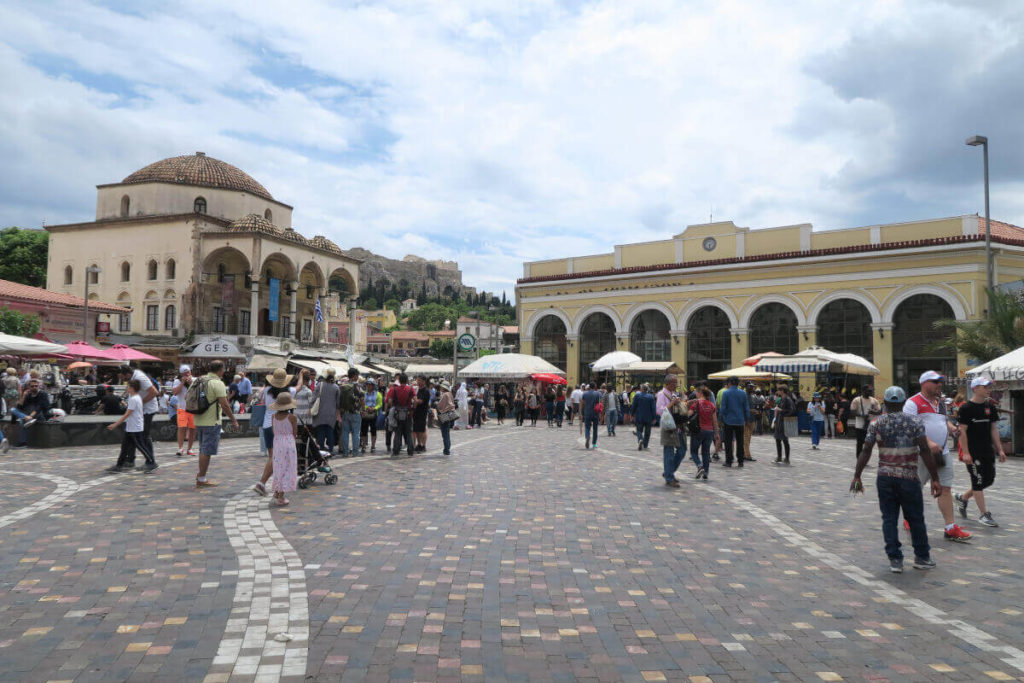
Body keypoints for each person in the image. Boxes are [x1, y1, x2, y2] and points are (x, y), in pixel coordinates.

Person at [852, 385, 941, 573]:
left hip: (885, 478)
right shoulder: (915, 422)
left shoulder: (876, 423)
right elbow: (925, 451)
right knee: (915, 518)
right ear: (903, 402)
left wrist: (857, 476)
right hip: (909, 478)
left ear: (885, 403)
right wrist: (935, 478)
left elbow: (866, 450)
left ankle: (895, 560)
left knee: (889, 519)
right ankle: (922, 557)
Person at [904, 370, 971, 542]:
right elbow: (910, 428)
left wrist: (952, 429)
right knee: (915, 488)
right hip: (920, 454)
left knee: (946, 488)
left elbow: (943, 421)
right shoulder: (913, 403)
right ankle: (909, 518)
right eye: (935, 381)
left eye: (940, 381)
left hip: (943, 453)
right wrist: (928, 442)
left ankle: (950, 527)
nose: (939, 384)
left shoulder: (940, 402)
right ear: (924, 383)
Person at [955, 376, 1006, 528]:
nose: (988, 389)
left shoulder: (990, 406)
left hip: (987, 450)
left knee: (988, 480)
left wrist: (1000, 449)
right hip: (972, 452)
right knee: (977, 481)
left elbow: (993, 429)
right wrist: (966, 452)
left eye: (989, 387)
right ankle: (984, 514)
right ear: (975, 388)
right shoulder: (965, 408)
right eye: (985, 387)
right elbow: (962, 431)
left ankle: (963, 497)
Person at [193, 360, 238, 488]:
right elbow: (224, 404)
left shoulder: (198, 380)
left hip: (198, 419)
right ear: (220, 370)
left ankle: (200, 475)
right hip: (211, 421)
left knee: (202, 449)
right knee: (206, 451)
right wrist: (233, 420)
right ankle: (201, 478)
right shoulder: (217, 383)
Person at [105, 379, 157, 472]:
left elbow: (127, 414)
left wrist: (115, 424)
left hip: (135, 428)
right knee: (124, 447)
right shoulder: (135, 397)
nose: (126, 388)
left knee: (140, 446)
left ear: (132, 388)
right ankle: (119, 465)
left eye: (128, 386)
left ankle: (151, 462)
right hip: (131, 427)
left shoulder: (134, 399)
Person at [119, 364, 159, 465]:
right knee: (131, 435)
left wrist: (139, 403)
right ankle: (129, 459)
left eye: (122, 377)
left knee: (143, 436)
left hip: (147, 410)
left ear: (127, 374)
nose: (122, 379)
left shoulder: (139, 377)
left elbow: (154, 392)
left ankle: (150, 461)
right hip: (139, 410)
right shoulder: (132, 378)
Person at [267, 392, 298, 506]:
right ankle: (281, 496)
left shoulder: (273, 416)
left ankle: (277, 490)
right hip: (289, 443)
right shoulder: (292, 417)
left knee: (278, 466)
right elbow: (295, 433)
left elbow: (274, 431)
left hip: (277, 442)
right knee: (288, 468)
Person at [718, 377, 751, 468]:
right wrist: (748, 419)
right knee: (740, 441)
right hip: (740, 421)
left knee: (728, 441)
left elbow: (723, 408)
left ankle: (729, 460)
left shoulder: (726, 393)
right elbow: (746, 408)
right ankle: (740, 460)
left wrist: (720, 419)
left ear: (729, 383)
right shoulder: (743, 393)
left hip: (728, 421)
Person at [688, 388, 720, 480]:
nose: (696, 394)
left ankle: (699, 466)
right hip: (709, 431)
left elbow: (688, 415)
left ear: (700, 393)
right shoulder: (711, 405)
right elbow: (715, 421)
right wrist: (717, 434)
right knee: (706, 453)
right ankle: (706, 472)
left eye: (696, 392)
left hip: (698, 430)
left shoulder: (696, 404)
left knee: (694, 452)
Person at [10, 378, 51, 448]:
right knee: (13, 409)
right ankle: (23, 443)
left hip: (40, 415)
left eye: (36, 386)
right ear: (29, 387)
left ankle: (23, 442)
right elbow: (19, 407)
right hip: (29, 416)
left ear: (38, 386)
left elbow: (39, 407)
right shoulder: (28, 395)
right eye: (32, 386)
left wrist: (31, 416)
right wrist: (23, 396)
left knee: (23, 421)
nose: (34, 387)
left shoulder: (43, 394)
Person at [311, 368, 341, 454]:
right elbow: (338, 403)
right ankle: (331, 450)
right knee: (330, 431)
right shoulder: (336, 387)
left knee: (321, 432)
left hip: (320, 413)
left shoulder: (320, 385)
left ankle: (321, 451)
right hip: (331, 414)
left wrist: (310, 408)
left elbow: (313, 399)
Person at [388, 373, 416, 457]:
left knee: (397, 433)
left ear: (399, 380)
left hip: (397, 413)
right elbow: (415, 400)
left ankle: (396, 450)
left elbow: (389, 401)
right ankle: (410, 451)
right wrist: (413, 409)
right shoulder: (411, 389)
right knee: (409, 432)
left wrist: (394, 407)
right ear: (407, 380)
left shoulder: (394, 389)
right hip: (408, 413)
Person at [171, 365, 196, 457]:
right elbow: (174, 393)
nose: (187, 374)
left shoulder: (195, 380)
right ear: (181, 374)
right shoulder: (177, 381)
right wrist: (182, 383)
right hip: (182, 408)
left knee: (193, 429)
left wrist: (191, 383)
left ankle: (189, 449)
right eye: (185, 373)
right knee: (181, 428)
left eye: (188, 372)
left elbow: (199, 392)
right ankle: (180, 448)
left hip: (193, 409)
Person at [850, 385, 881, 457]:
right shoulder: (857, 400)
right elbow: (852, 412)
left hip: (871, 425)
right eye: (868, 391)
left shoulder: (874, 400)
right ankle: (859, 458)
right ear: (863, 391)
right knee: (860, 443)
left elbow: (879, 411)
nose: (870, 392)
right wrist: (862, 415)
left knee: (869, 443)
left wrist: (873, 412)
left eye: (871, 390)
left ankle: (865, 458)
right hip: (860, 425)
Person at [338, 368, 362, 457]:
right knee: (356, 433)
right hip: (355, 412)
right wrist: (362, 409)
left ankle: (345, 452)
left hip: (345, 412)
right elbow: (362, 398)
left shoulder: (343, 386)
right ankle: (355, 452)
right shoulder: (357, 386)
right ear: (355, 376)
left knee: (345, 432)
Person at [772, 386, 795, 464]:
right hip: (779, 422)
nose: (777, 392)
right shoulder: (782, 399)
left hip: (784, 422)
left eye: (779, 390)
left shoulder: (788, 400)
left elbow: (791, 411)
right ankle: (779, 457)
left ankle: (787, 458)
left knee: (785, 440)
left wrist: (781, 410)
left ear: (782, 391)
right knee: (777, 439)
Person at [631, 383, 656, 450]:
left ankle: (640, 439)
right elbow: (653, 408)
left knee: (639, 430)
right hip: (649, 417)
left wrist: (632, 414)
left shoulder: (637, 396)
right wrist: (654, 417)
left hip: (639, 416)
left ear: (641, 389)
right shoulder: (651, 397)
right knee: (647, 432)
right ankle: (645, 445)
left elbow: (634, 406)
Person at [360, 378, 382, 453]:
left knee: (373, 430)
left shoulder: (378, 394)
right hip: (365, 413)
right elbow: (361, 402)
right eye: (367, 384)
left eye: (370, 385)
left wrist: (374, 408)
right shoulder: (363, 393)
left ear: (373, 386)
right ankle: (363, 445)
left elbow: (380, 404)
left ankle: (373, 446)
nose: (368, 386)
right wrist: (366, 407)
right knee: (364, 430)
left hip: (373, 414)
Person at [436, 380, 456, 455]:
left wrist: (440, 408)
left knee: (445, 432)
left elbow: (440, 405)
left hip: (445, 414)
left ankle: (446, 449)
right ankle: (447, 448)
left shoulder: (445, 395)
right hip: (449, 414)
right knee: (446, 431)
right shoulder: (450, 394)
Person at [413, 375, 430, 452]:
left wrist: (414, 399)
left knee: (422, 430)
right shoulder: (417, 389)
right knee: (416, 430)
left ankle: (423, 445)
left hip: (422, 413)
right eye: (417, 380)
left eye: (419, 380)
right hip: (416, 412)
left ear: (424, 381)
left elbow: (420, 401)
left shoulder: (426, 391)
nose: (418, 382)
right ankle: (419, 444)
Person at [581, 383, 601, 449]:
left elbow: (583, 403)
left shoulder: (585, 393)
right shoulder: (598, 393)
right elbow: (600, 403)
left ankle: (587, 436)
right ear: (595, 386)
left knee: (587, 427)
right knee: (595, 429)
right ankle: (594, 443)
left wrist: (581, 412)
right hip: (595, 413)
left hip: (587, 412)